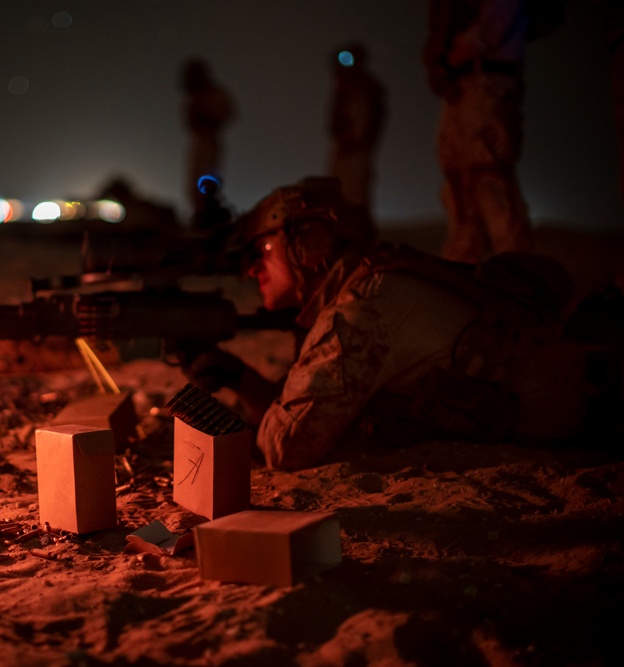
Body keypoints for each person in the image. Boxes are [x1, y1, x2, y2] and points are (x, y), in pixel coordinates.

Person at [181, 177, 619, 471]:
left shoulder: (364, 306)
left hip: (597, 414)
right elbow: (312, 411)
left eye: (262, 250)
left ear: (307, 244)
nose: (251, 269)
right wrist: (239, 377)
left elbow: (289, 447)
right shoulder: (371, 287)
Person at [423, 0, 534, 263]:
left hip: (487, 79)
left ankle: (519, 273)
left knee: (489, 180)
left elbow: (498, 17)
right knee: (459, 185)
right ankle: (464, 270)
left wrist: (456, 53)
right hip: (460, 84)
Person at [326, 41, 387, 215]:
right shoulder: (341, 90)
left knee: (355, 197)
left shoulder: (368, 89)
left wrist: (357, 140)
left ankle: (359, 236)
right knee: (335, 194)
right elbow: (334, 122)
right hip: (342, 150)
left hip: (357, 151)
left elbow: (368, 123)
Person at [180, 58, 236, 226]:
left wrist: (206, 112)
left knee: (207, 183)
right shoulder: (194, 99)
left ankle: (208, 220)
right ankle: (200, 217)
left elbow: (227, 112)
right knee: (193, 187)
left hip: (209, 140)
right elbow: (189, 122)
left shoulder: (214, 94)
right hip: (198, 142)